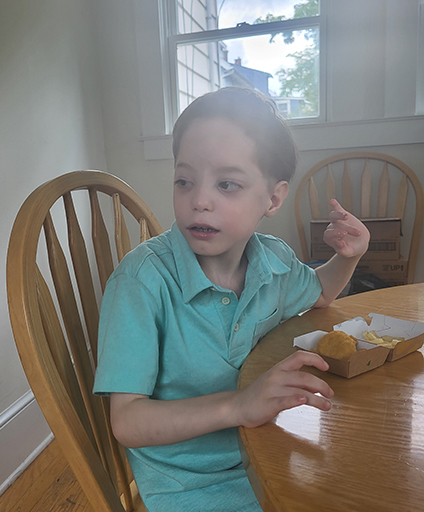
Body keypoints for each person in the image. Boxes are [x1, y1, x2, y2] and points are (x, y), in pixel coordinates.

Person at [93, 87, 370, 511]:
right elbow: (127, 420)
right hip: (191, 483)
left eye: (227, 184)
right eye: (184, 180)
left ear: (273, 198)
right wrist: (239, 405)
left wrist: (347, 258)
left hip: (268, 448)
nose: (199, 200)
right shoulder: (142, 281)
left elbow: (320, 292)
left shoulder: (273, 260)